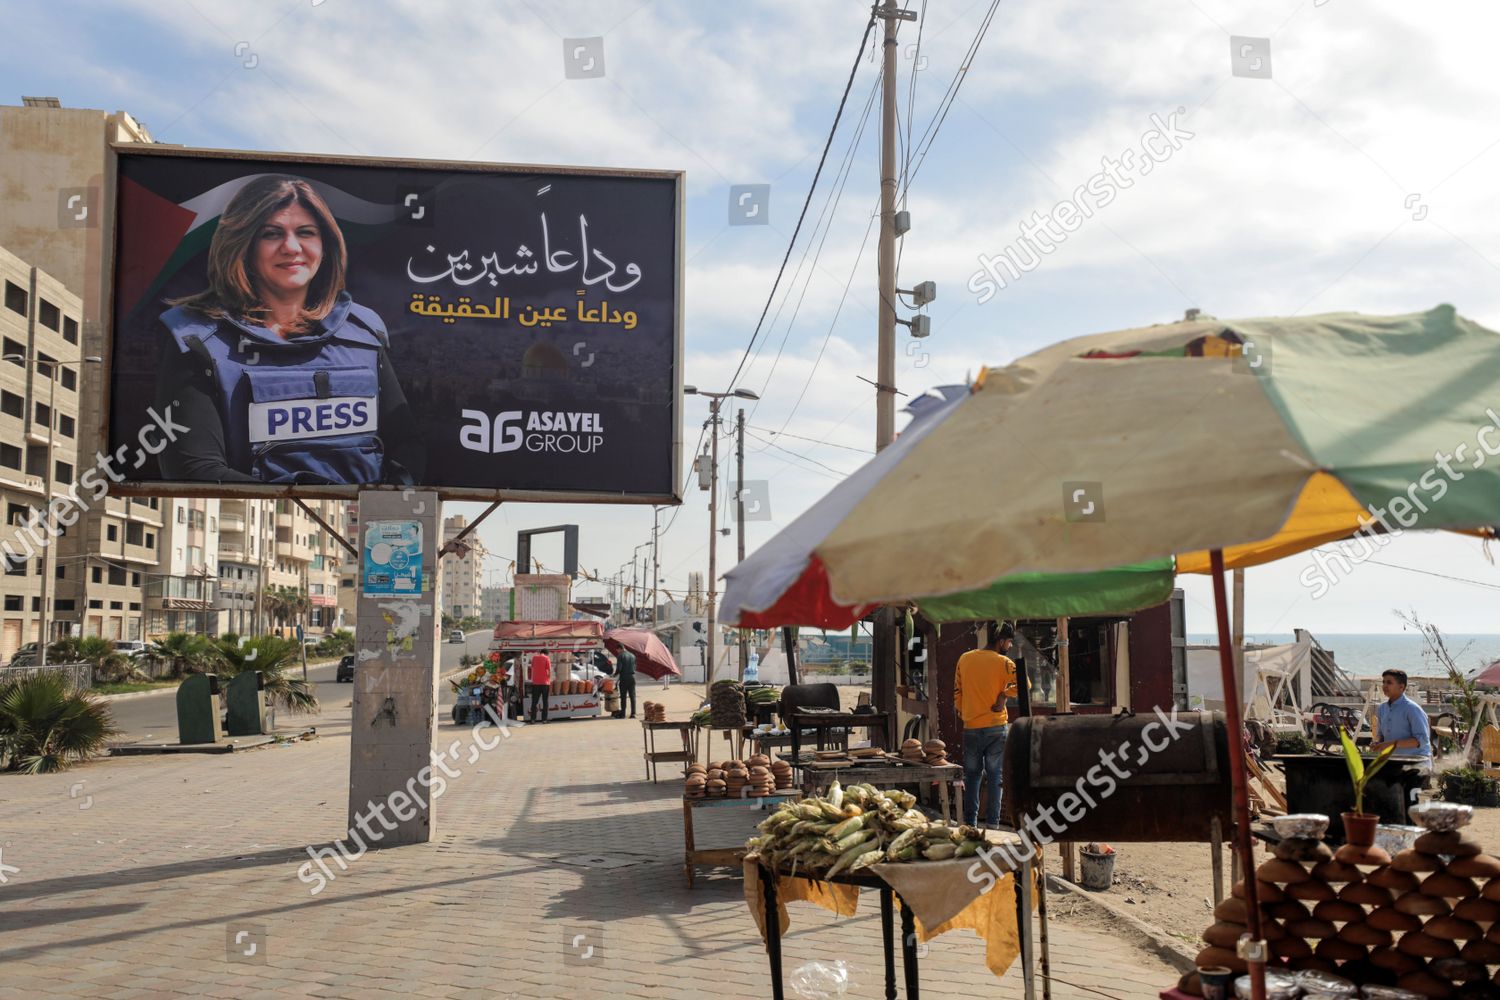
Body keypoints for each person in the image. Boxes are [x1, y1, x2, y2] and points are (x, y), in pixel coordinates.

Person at [154, 174, 424, 485]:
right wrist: (304, 505)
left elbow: (407, 448)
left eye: (306, 233)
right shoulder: (193, 335)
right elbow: (194, 470)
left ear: (326, 245)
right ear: (243, 244)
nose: (291, 247)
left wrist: (376, 513)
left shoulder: (364, 330)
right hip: (263, 529)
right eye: (271, 234)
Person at [954, 621, 1019, 829]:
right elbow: (1024, 685)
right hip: (996, 727)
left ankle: (970, 825)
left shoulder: (965, 658)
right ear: (1001, 641)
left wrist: (964, 711)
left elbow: (957, 690)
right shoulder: (1004, 663)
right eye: (1009, 642)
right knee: (995, 777)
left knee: (972, 777)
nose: (1009, 647)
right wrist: (1003, 695)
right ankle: (993, 826)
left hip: (971, 727)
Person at [1371, 668, 1433, 770]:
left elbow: (1421, 740)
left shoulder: (1412, 709)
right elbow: (1381, 735)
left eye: (1389, 682)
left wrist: (1390, 744)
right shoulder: (1382, 708)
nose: (1384, 686)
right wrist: (1377, 743)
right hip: (1392, 763)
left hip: (1416, 764)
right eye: (1384, 682)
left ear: (1401, 687)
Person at [528, 650, 553, 725]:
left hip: (535, 683)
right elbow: (549, 670)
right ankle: (544, 720)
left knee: (534, 702)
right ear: (546, 653)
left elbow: (532, 667)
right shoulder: (546, 658)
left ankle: (532, 719)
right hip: (545, 683)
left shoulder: (534, 658)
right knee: (545, 702)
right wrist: (549, 680)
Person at [616, 645, 638, 719]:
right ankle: (633, 714)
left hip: (624, 678)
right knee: (632, 696)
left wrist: (614, 674)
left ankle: (623, 714)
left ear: (620, 649)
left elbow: (619, 668)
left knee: (623, 696)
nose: (617, 652)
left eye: (617, 650)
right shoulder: (633, 655)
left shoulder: (620, 656)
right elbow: (635, 666)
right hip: (632, 677)